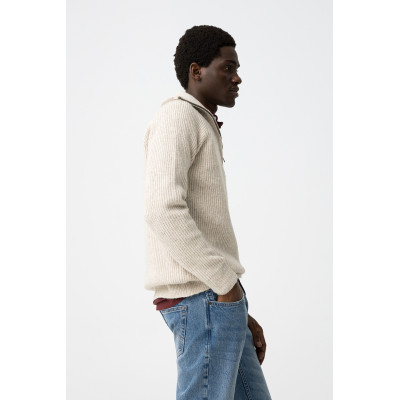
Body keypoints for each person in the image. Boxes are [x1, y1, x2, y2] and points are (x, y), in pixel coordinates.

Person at [143, 25, 272, 399]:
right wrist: (224, 287)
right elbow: (163, 210)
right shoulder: (178, 117)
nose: (237, 78)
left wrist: (237, 306)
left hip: (217, 298)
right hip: (204, 298)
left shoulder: (199, 121)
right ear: (196, 71)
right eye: (227, 68)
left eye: (237, 69)